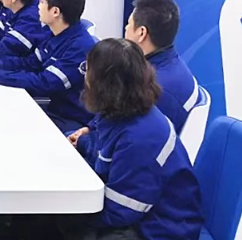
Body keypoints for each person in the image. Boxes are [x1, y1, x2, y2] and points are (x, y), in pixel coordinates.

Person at [67, 39, 202, 239]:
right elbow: (108, 154)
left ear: (105, 84)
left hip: (158, 229)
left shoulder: (140, 138)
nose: (85, 76)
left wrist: (68, 212)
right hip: (139, 215)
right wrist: (83, 142)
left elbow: (121, 210)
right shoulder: (120, 112)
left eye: (88, 69)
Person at [0, 0, 95, 133]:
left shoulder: (79, 46)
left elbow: (45, 83)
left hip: (72, 119)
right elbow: (31, 63)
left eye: (43, 1)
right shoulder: (53, 33)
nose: (38, 5)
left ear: (55, 11)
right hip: (54, 109)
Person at [125, 0, 199, 134]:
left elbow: (130, 138)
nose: (126, 28)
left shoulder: (153, 90)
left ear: (141, 33)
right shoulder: (171, 64)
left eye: (129, 23)